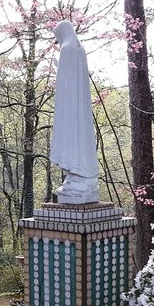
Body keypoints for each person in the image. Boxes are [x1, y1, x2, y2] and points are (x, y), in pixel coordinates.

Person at [50, 20, 100, 204]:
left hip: (70, 106)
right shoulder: (78, 48)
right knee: (80, 137)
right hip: (78, 106)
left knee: (72, 137)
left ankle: (80, 175)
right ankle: (79, 175)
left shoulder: (68, 48)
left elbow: (66, 79)